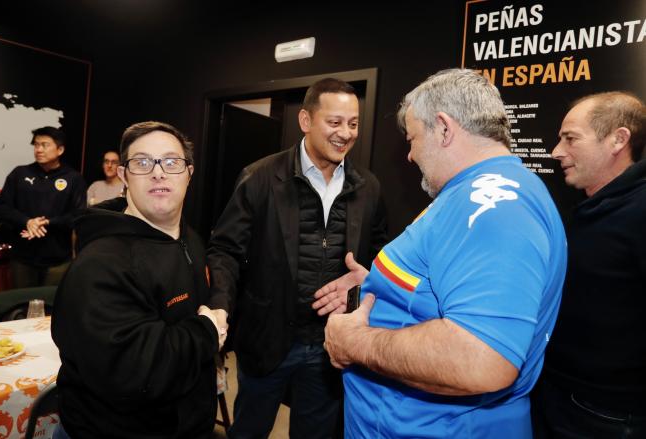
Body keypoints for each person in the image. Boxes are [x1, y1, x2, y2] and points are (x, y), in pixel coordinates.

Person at [315, 68, 567, 438]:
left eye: (413, 139)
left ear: (445, 129)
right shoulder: (477, 193)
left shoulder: (492, 206)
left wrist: (355, 343)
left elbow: (482, 358)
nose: (411, 155)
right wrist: (382, 285)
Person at [206, 78, 387, 438]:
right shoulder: (259, 178)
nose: (345, 133)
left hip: (330, 344)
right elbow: (224, 248)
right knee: (250, 429)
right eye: (334, 122)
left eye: (353, 123)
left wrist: (370, 278)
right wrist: (221, 306)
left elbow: (381, 253)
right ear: (305, 121)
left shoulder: (368, 187)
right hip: (266, 339)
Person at [51, 121, 228, 439]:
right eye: (142, 162)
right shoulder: (100, 264)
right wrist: (207, 332)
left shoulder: (190, 239)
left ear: (189, 172)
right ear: (123, 176)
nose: (158, 172)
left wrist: (219, 315)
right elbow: (135, 372)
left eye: (171, 162)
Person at [531, 92, 646, 438]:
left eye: (570, 139)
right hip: (561, 398)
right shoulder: (587, 208)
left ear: (618, 139)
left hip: (607, 417)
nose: (556, 152)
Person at [0, 126, 86, 288]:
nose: (39, 149)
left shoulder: (73, 178)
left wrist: (48, 223)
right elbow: (2, 207)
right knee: (21, 307)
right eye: (36, 145)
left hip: (58, 260)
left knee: (52, 308)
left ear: (60, 149)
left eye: (45, 145)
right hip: (23, 258)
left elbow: (78, 215)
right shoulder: (19, 173)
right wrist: (27, 222)